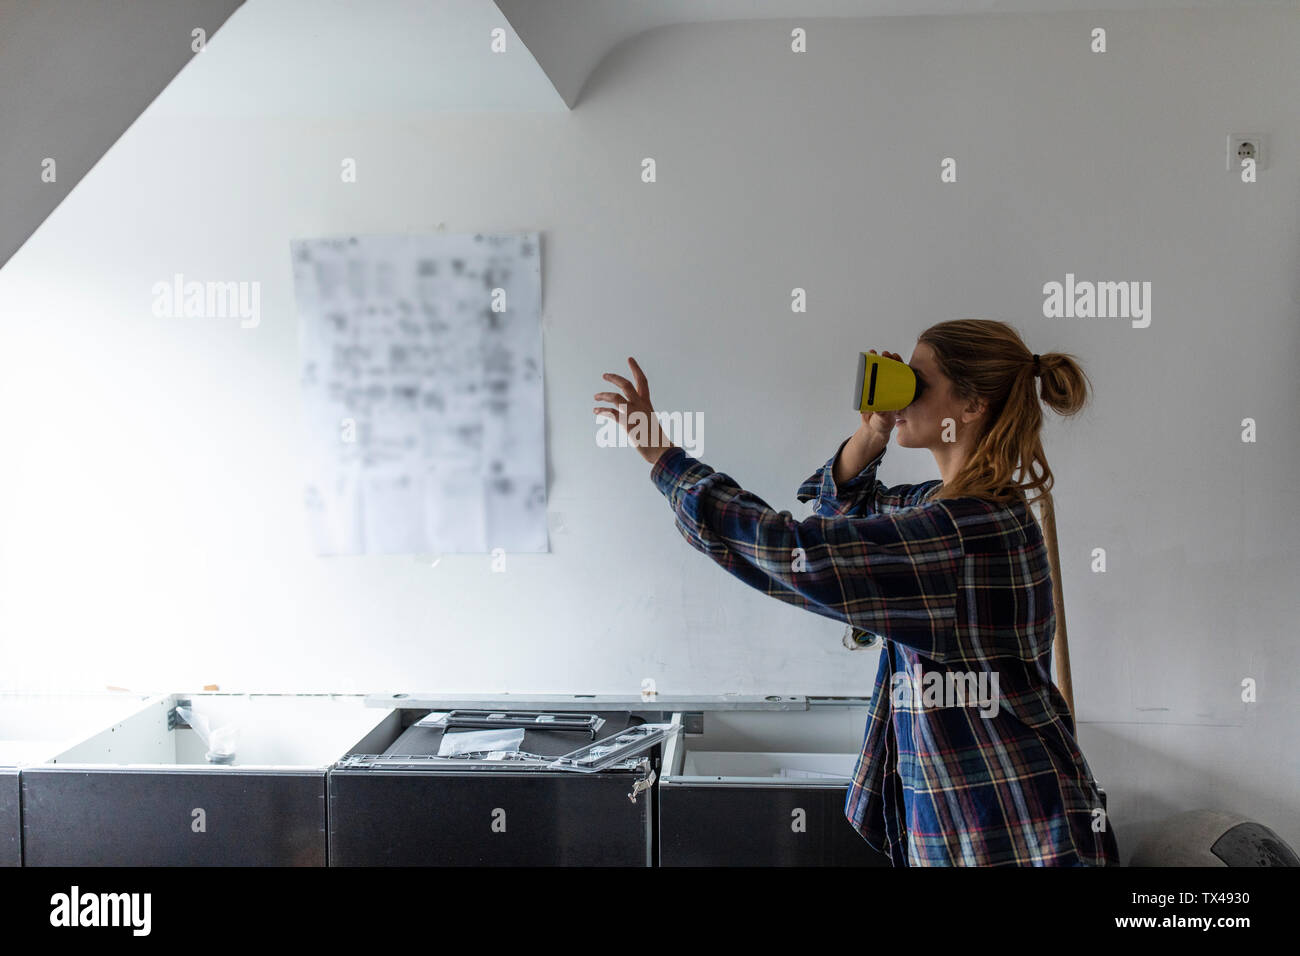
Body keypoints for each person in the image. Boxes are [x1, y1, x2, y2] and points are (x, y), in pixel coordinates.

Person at [593, 318, 1120, 866]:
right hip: (977, 817)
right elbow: (841, 514)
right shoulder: (951, 509)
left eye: (918, 380)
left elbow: (796, 553)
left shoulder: (964, 532)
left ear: (970, 407)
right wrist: (872, 433)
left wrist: (663, 458)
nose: (904, 390)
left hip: (1013, 827)